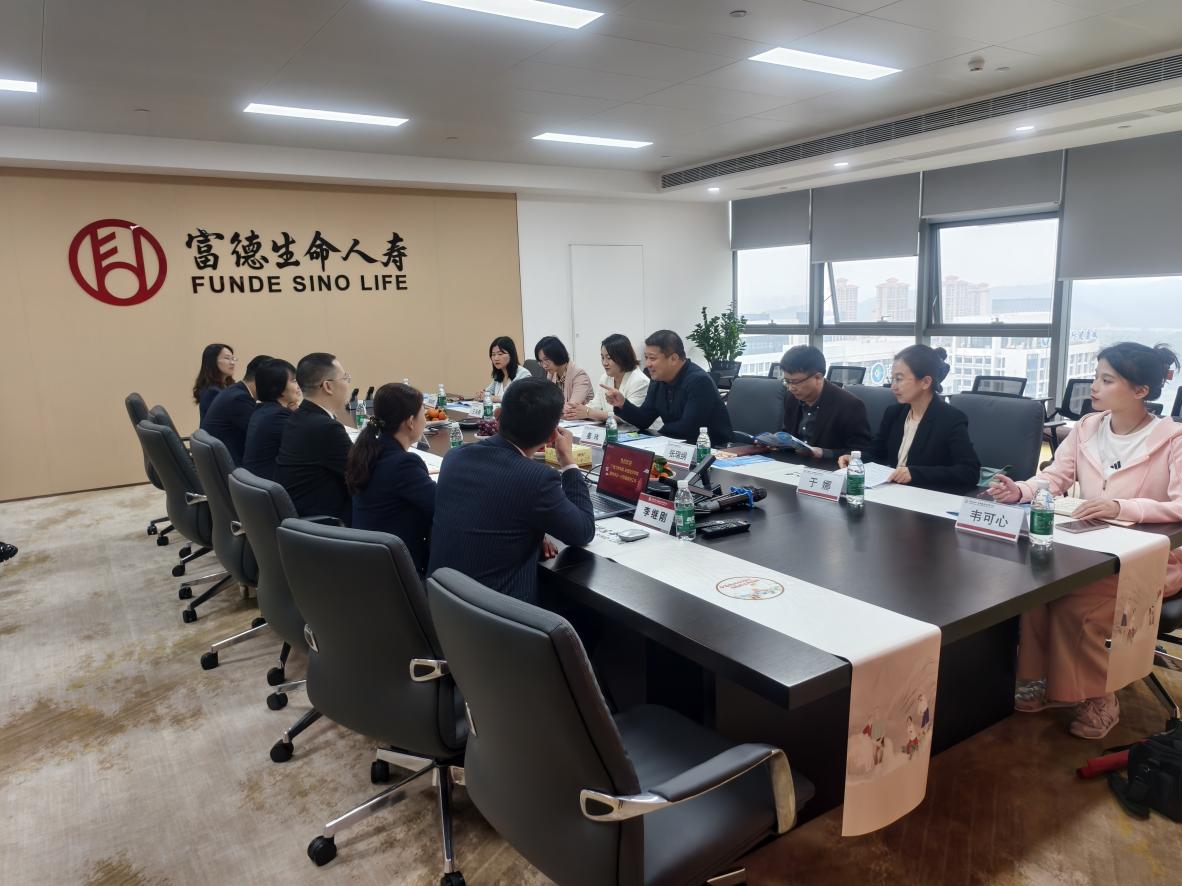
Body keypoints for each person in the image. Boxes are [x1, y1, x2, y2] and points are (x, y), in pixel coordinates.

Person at [989, 342, 1182, 739]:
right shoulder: (1087, 427)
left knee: (1079, 605)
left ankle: (1099, 696)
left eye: (1106, 380)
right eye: (1096, 377)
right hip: (1089, 550)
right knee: (1035, 592)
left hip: (1150, 560)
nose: (1093, 387)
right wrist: (1021, 490)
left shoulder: (1173, 438)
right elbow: (1055, 477)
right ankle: (1041, 679)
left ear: (1141, 390)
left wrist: (1122, 507)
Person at [428, 377, 595, 604]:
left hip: (443, 606)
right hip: (500, 616)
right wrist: (567, 460)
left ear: (497, 416)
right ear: (551, 437)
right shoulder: (536, 478)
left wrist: (533, 527)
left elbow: (488, 508)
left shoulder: (454, 458)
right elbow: (583, 531)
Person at [839, 345, 979, 490]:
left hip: (925, 495)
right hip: (891, 492)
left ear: (926, 382)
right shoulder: (894, 413)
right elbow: (877, 452)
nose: (893, 386)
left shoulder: (950, 419)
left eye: (899, 379)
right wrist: (855, 459)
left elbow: (970, 472)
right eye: (892, 379)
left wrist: (916, 473)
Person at [347, 383, 436, 574]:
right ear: (410, 422)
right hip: (398, 570)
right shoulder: (404, 464)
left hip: (369, 565)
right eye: (423, 413)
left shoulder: (369, 452)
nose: (425, 420)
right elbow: (441, 505)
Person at [602, 330, 733, 446]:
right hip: (676, 444)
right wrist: (622, 404)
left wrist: (657, 435)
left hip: (712, 449)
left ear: (673, 359)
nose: (647, 364)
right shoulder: (658, 380)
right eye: (646, 358)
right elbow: (644, 419)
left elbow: (688, 427)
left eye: (652, 358)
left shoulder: (699, 381)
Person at [274, 353, 354, 526]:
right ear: (328, 386)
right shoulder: (326, 428)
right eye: (345, 378)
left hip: (301, 515)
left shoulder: (298, 417)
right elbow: (362, 474)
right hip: (327, 522)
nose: (348, 383)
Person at [778, 345, 872, 459]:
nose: (791, 388)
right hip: (792, 464)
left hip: (828, 467)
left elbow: (863, 453)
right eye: (787, 381)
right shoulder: (791, 398)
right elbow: (788, 433)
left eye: (795, 382)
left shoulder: (850, 405)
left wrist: (823, 453)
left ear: (818, 378)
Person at [564, 333, 655, 426]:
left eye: (609, 358)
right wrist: (575, 410)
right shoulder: (605, 377)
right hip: (614, 429)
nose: (604, 363)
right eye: (602, 357)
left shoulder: (639, 381)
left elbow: (628, 416)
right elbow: (596, 405)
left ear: (623, 357)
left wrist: (588, 412)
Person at [201, 354, 271, 464]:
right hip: (234, 467)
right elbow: (264, 434)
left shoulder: (235, 390)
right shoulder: (239, 399)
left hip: (221, 464)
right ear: (263, 380)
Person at [242, 359, 301, 481]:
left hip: (256, 483)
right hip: (270, 485)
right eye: (294, 381)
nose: (298, 386)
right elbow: (307, 440)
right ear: (277, 388)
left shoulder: (263, 410)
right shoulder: (278, 417)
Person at [535, 335, 592, 408]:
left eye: (546, 359)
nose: (544, 366)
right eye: (541, 361)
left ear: (557, 355)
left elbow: (572, 407)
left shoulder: (579, 375)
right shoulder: (551, 373)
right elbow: (548, 401)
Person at [193, 343, 236, 425]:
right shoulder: (212, 392)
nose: (232, 363)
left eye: (233, 358)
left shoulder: (226, 387)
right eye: (227, 358)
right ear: (213, 361)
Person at [482, 336, 530, 402]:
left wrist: (494, 398)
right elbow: (487, 392)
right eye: (493, 354)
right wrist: (481, 395)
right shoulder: (499, 374)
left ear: (511, 354)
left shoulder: (523, 374)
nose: (496, 358)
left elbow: (520, 398)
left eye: (500, 354)